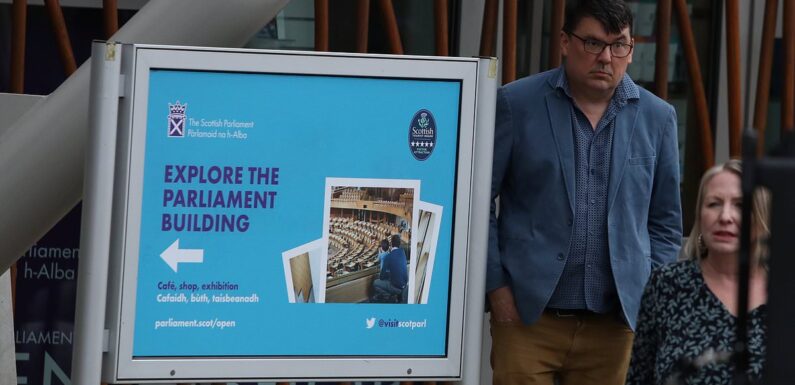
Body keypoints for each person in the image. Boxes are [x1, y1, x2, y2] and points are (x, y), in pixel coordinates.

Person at [487, 0, 683, 384]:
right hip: (529, 318)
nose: (606, 58)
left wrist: (646, 296)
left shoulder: (658, 118)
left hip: (615, 326)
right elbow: (478, 207)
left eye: (619, 45)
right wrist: (498, 290)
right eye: (593, 43)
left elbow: (666, 223)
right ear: (564, 41)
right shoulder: (516, 103)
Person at [626, 160, 769, 384]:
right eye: (714, 204)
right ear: (700, 216)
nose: (725, 216)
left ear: (760, 218)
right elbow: (638, 378)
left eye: (741, 205)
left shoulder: (785, 293)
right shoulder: (667, 285)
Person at [373, 234, 408, 303]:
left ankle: (387, 296)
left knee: (375, 282)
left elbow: (382, 277)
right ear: (400, 243)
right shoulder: (402, 252)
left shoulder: (388, 256)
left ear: (391, 244)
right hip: (405, 285)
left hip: (396, 286)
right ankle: (399, 295)